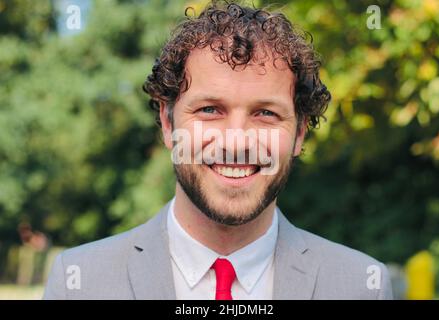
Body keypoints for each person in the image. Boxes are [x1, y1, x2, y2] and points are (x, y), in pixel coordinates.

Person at [44, 1, 393, 300]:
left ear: (299, 132)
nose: (236, 141)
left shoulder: (361, 287)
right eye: (210, 110)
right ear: (168, 123)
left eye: (266, 113)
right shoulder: (80, 283)